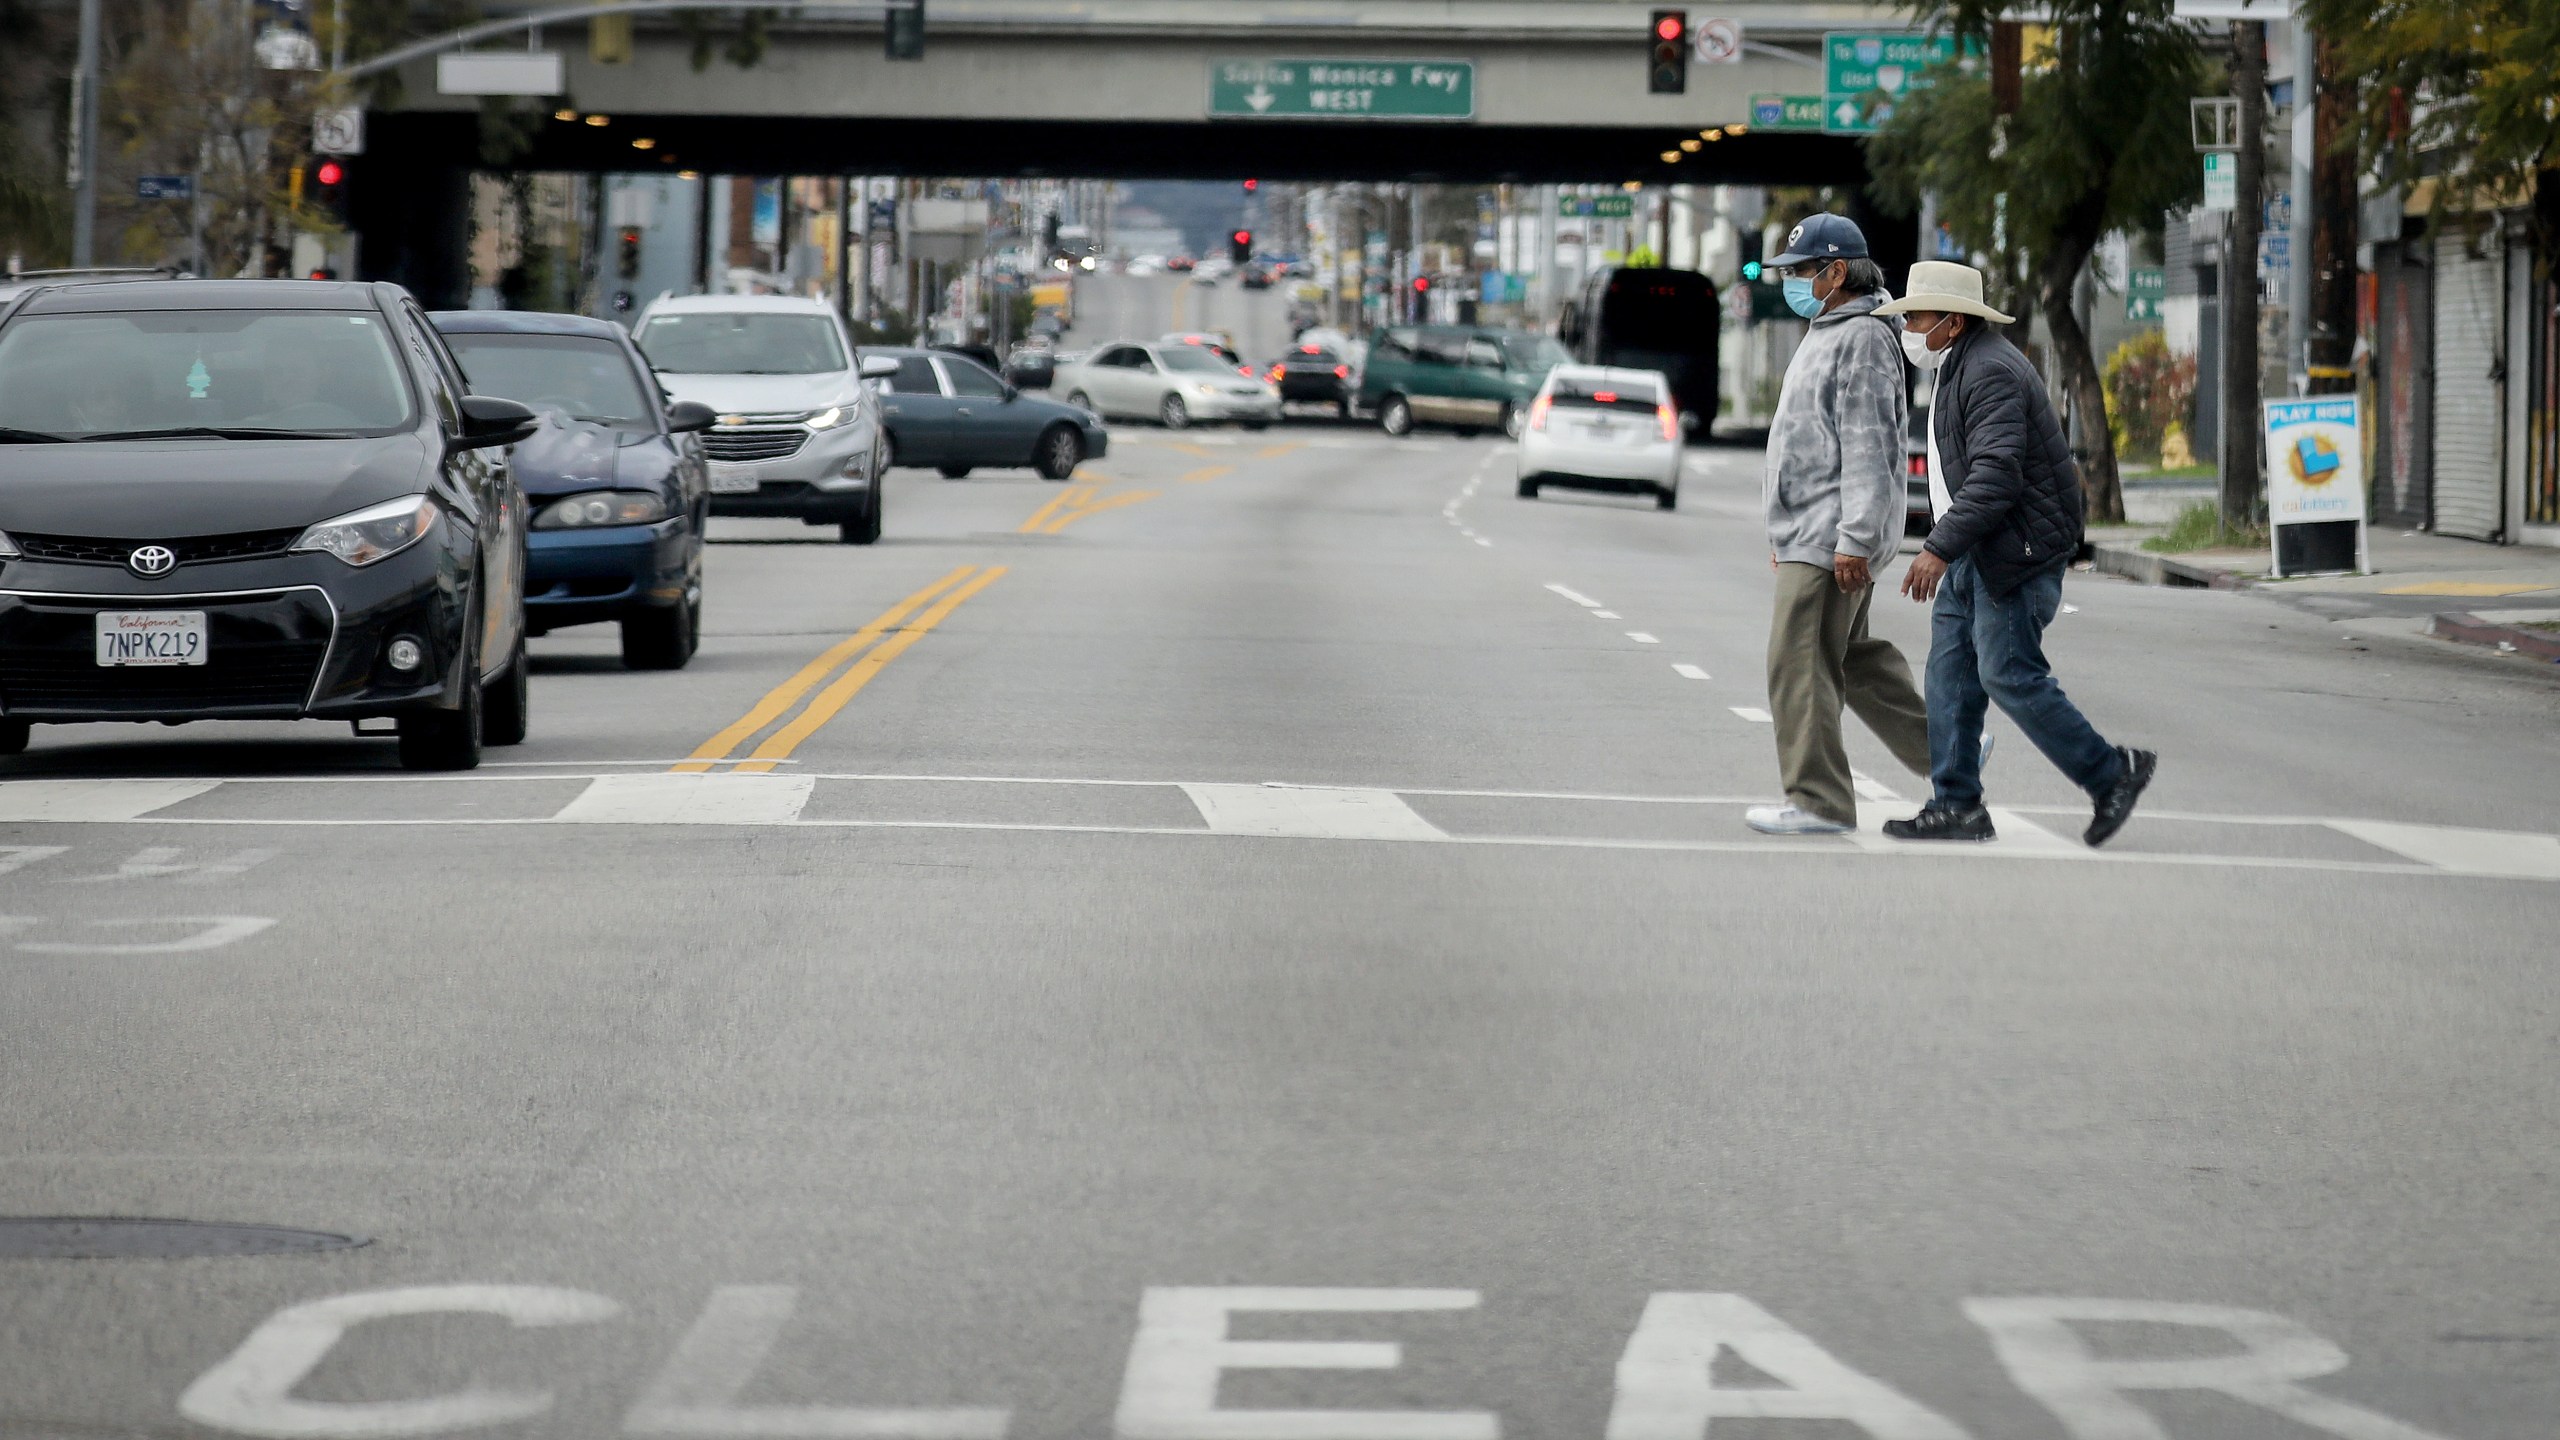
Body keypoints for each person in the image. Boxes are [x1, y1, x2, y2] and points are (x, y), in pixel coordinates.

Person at [1877, 261, 2156, 846]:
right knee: (1949, 678)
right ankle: (1956, 805)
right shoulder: (1961, 363)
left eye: (1917, 316)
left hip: (2014, 554)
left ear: (1952, 322)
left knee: (2007, 673)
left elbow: (1997, 478)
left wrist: (1937, 548)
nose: (1909, 328)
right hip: (1978, 549)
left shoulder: (1991, 371)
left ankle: (2112, 773)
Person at [1743, 213, 1933, 836]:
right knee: (1850, 658)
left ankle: (1819, 802)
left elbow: (1868, 444)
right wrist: (1785, 533)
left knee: (1796, 661)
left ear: (1836, 273)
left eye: (1802, 271)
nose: (1794, 282)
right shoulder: (1828, 330)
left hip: (1829, 534)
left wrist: (1853, 537)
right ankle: (1950, 751)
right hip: (1812, 530)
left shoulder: (1863, 338)